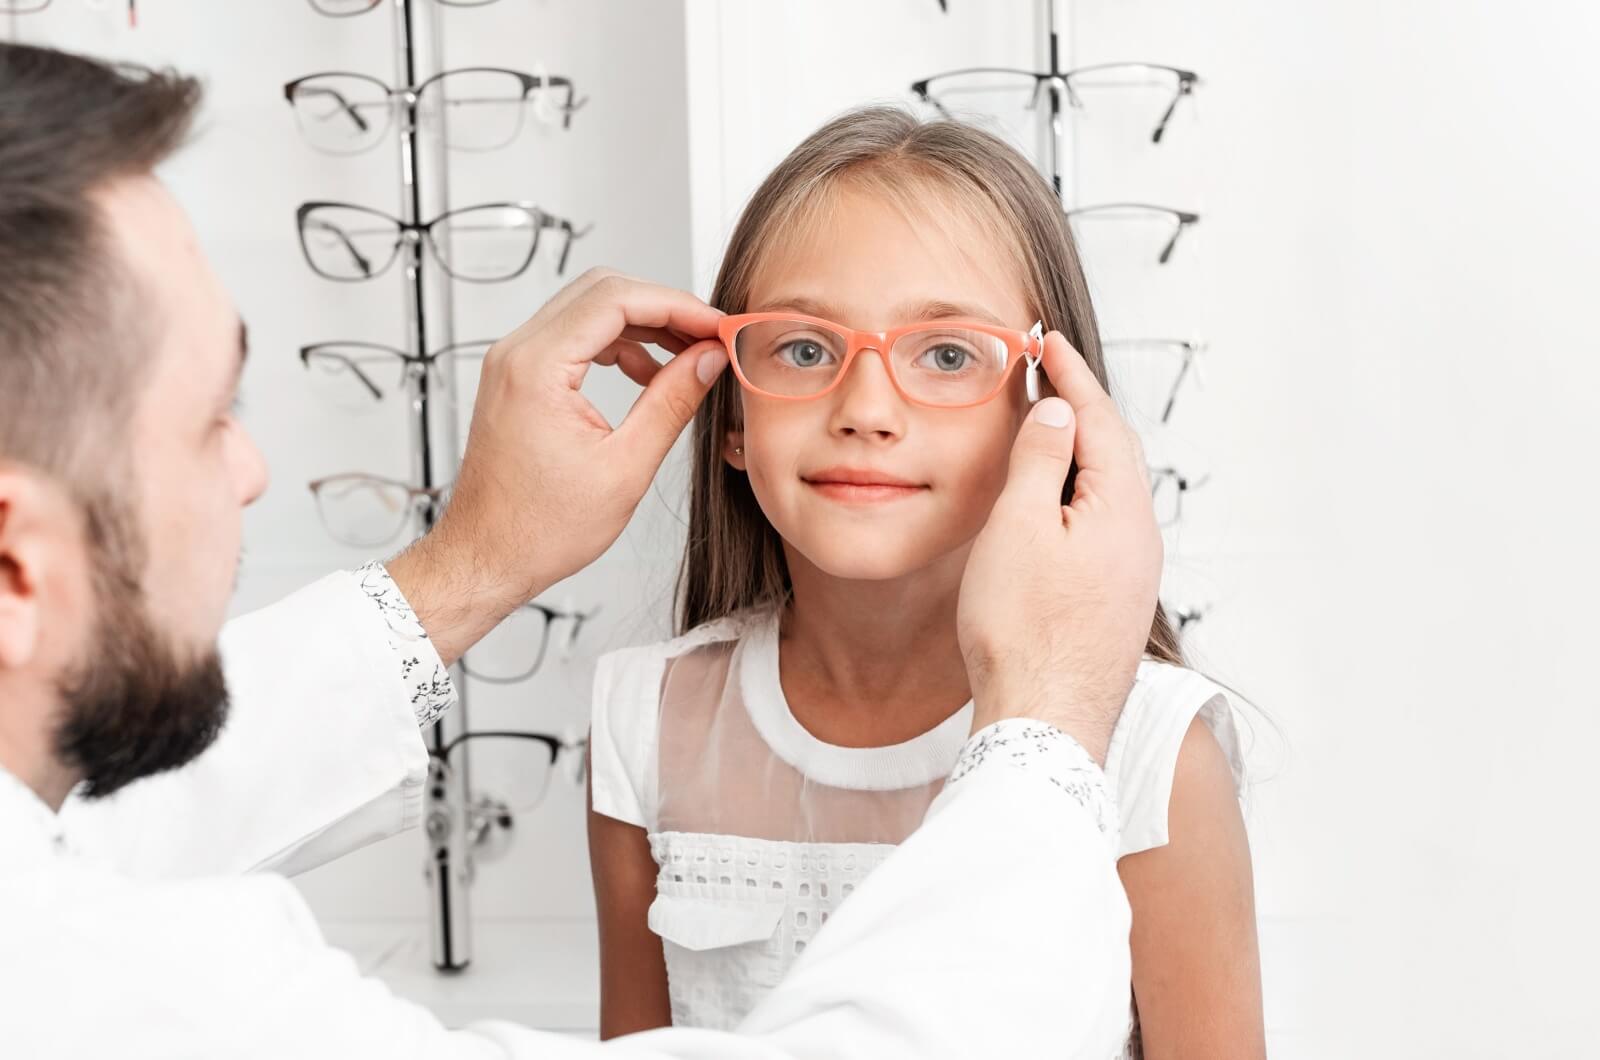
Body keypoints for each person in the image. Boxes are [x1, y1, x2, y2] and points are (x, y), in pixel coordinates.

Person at [1, 43, 1157, 1058]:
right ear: (13, 564)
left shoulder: (1160, 746)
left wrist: (472, 562)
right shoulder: (119, 992)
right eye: (212, 417)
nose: (253, 470)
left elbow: (108, 826)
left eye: (947, 354)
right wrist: (1050, 729)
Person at [586, 107, 1265, 1058]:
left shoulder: (1154, 755)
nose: (866, 410)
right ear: (731, 415)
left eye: (947, 356)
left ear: (1055, 412)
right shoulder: (646, 722)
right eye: (805, 348)